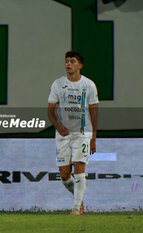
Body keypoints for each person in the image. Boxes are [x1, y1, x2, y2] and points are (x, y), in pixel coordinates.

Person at [47, 51, 98, 215]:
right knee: (64, 175)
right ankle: (79, 200)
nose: (68, 64)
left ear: (80, 65)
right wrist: (58, 126)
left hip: (83, 133)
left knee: (79, 167)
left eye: (72, 61)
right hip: (63, 135)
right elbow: (50, 111)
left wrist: (94, 136)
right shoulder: (58, 84)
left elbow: (94, 111)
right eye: (67, 61)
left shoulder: (88, 85)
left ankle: (76, 208)